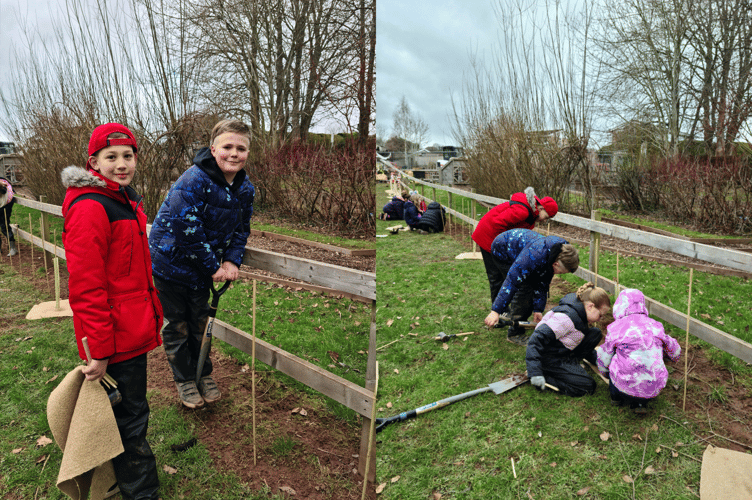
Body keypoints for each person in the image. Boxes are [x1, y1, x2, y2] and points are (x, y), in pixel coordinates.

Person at [61, 123, 163, 499]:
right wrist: (99, 349)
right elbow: (87, 286)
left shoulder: (121, 199)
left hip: (129, 330)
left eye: (128, 156)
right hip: (115, 337)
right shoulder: (91, 207)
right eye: (112, 157)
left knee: (129, 414)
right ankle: (141, 493)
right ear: (93, 163)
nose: (122, 164)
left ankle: (122, 481)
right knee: (131, 420)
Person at [149, 119, 254, 409]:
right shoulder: (193, 180)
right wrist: (213, 266)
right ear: (213, 149)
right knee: (176, 326)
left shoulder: (245, 189)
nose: (234, 153)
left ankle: (203, 375)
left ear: (248, 153)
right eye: (227, 147)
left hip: (200, 270)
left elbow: (241, 229)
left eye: (241, 148)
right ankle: (185, 380)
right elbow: (187, 228)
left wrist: (233, 259)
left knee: (199, 323)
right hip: (169, 265)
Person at [482, 228, 579, 345]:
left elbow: (543, 281)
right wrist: (495, 311)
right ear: (556, 264)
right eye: (561, 272)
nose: (559, 274)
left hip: (524, 248)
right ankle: (515, 333)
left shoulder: (561, 251)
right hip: (503, 249)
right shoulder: (535, 256)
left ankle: (514, 317)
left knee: (532, 282)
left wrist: (538, 309)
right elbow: (512, 281)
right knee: (524, 289)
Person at [596, 288, 681, 414]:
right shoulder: (655, 326)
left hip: (624, 386)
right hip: (653, 387)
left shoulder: (616, 328)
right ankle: (641, 403)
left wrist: (604, 372)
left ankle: (616, 398)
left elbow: (604, 357)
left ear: (619, 306)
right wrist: (668, 355)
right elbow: (675, 352)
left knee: (614, 355)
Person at [472, 187, 557, 312]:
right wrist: (503, 247)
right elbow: (497, 223)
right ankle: (500, 313)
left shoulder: (530, 216)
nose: (545, 220)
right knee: (497, 277)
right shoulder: (523, 211)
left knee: (506, 275)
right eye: (547, 216)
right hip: (488, 237)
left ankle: (503, 309)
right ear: (541, 208)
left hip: (494, 239)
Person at [526, 282, 611, 397]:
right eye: (600, 315)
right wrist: (535, 372)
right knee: (587, 386)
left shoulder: (580, 313)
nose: (600, 319)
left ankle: (571, 363)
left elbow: (580, 339)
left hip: (561, 350)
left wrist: (599, 360)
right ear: (590, 306)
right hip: (549, 357)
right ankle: (546, 377)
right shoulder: (565, 319)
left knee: (595, 333)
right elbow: (535, 340)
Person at [0, 176, 17, 256]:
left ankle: (13, 247)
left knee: (4, 226)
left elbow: (3, 191)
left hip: (5, 206)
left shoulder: (3, 184)